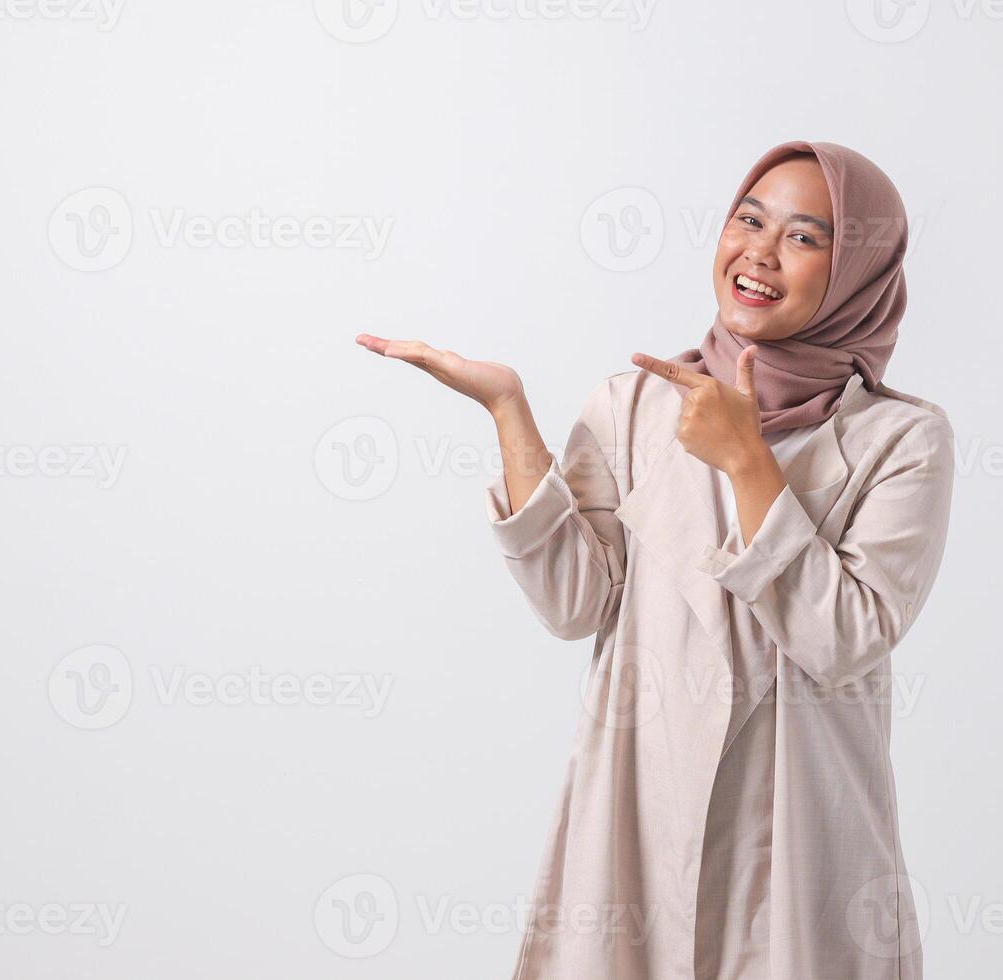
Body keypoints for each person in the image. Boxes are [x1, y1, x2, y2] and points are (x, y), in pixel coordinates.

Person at [356, 140, 955, 980]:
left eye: (805, 236)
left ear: (860, 271)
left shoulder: (900, 440)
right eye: (748, 220)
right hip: (641, 798)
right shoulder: (633, 404)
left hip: (796, 819)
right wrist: (508, 409)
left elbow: (846, 637)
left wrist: (748, 461)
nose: (760, 252)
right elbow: (574, 603)